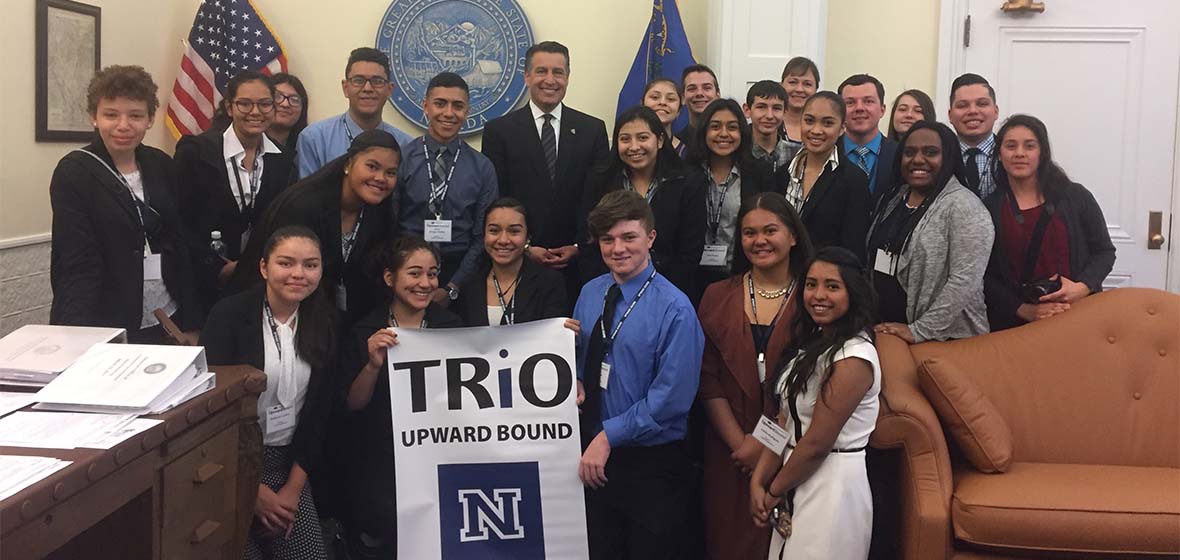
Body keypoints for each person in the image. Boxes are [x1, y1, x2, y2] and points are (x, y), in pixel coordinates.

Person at [573, 190, 705, 559]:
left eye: (629, 237)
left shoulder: (676, 308)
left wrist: (608, 437)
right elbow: (582, 359)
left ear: (650, 237)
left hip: (650, 465)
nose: (618, 249)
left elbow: (671, 400)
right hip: (592, 455)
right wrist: (578, 380)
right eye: (607, 239)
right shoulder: (590, 293)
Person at [201, 226, 336, 560]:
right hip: (229, 463)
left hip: (290, 465)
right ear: (264, 267)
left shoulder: (326, 321)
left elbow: (320, 414)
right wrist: (251, 489)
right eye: (286, 263)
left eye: (310, 265)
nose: (298, 274)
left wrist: (292, 490)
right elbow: (213, 409)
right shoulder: (229, 316)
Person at [698, 193, 813, 560]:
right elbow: (708, 378)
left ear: (793, 236)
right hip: (729, 448)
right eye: (749, 232)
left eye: (770, 230)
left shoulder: (814, 299)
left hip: (793, 448)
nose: (759, 240)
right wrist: (740, 443)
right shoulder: (716, 295)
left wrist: (767, 445)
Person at [49, 65, 199, 343]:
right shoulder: (74, 172)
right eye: (111, 115)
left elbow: (180, 245)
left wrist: (191, 319)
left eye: (135, 116)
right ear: (94, 117)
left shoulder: (162, 164)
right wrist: (73, 337)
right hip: (106, 319)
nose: (123, 125)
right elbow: (76, 262)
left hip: (165, 313)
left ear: (150, 119)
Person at [750, 246, 881, 560]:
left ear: (853, 292)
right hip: (792, 476)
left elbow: (817, 444)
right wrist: (758, 479)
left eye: (832, 286)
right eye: (811, 284)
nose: (818, 295)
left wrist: (773, 491)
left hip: (832, 486)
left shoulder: (855, 356)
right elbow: (783, 419)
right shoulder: (812, 345)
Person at [338, 235, 464, 558]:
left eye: (432, 274)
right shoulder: (364, 330)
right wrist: (372, 365)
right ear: (390, 278)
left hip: (438, 463)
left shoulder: (452, 327)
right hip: (380, 469)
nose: (425, 283)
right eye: (415, 273)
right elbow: (353, 405)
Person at [481, 41, 610, 309]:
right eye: (541, 71)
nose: (550, 80)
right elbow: (498, 198)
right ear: (527, 76)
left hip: (579, 266)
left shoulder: (593, 130)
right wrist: (525, 248)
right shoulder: (499, 131)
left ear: (567, 77)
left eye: (558, 72)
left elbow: (599, 198)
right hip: (519, 265)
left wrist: (579, 245)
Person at [235, 130, 400, 325]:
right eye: (372, 166)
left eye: (390, 173)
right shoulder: (303, 206)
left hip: (340, 319)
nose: (381, 178)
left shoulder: (380, 212)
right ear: (348, 165)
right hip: (278, 314)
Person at [175, 70, 294, 316]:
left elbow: (281, 221)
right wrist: (217, 266)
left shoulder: (283, 160)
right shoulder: (196, 152)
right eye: (245, 104)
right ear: (229, 107)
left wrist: (253, 266)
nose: (255, 112)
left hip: (259, 278)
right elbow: (180, 222)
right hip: (205, 280)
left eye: (264, 104)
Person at [983, 114, 1115, 330]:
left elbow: (1104, 251)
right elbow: (985, 275)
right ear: (999, 154)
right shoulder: (988, 209)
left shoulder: (1076, 196)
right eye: (1010, 146)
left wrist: (1082, 288)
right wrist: (1025, 309)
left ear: (1042, 152)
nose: (1019, 154)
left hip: (1078, 315)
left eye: (1029, 146)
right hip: (1016, 325)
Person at [866, 120, 993, 342]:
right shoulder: (895, 197)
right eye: (909, 152)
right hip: (889, 332)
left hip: (946, 341)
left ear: (948, 158)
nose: (917, 160)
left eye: (931, 152)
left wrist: (919, 331)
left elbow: (965, 281)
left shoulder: (964, 207)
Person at [580, 106, 706, 298]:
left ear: (660, 140)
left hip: (669, 291)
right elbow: (588, 242)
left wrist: (657, 292)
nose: (634, 147)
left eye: (643, 137)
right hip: (610, 289)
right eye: (625, 139)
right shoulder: (599, 181)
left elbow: (690, 251)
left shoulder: (688, 181)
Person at [395, 72, 498, 301]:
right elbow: (390, 225)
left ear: (467, 111)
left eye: (458, 106)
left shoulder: (482, 167)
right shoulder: (402, 160)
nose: (449, 113)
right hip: (406, 269)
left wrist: (454, 286)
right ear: (426, 106)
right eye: (440, 104)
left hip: (461, 271)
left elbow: (483, 236)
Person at [688, 99, 778, 288]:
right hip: (692, 275)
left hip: (742, 273)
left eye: (732, 127)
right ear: (704, 131)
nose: (723, 134)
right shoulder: (687, 173)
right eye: (715, 127)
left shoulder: (759, 173)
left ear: (742, 133)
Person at [295, 47, 413, 178]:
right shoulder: (314, 139)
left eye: (377, 81)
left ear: (390, 90)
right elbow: (306, 194)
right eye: (358, 80)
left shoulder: (405, 145)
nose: (367, 88)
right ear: (345, 88)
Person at [782, 92, 872, 260]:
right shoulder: (782, 173)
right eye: (809, 121)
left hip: (824, 278)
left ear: (842, 128)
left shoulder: (853, 179)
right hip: (781, 274)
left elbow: (853, 247)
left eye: (828, 123)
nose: (816, 130)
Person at [453, 198, 568, 326]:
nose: (503, 240)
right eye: (494, 231)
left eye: (514, 231)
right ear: (484, 235)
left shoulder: (549, 283)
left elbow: (553, 336)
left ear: (527, 238)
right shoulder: (469, 285)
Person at [839, 74, 899, 204]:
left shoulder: (899, 154)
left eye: (868, 101)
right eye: (850, 102)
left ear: (882, 110)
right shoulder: (828, 153)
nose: (859, 108)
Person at [948, 73, 1000, 198]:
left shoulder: (1010, 154)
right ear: (950, 115)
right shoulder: (940, 156)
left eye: (982, 104)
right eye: (962, 105)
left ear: (996, 111)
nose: (972, 111)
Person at [744, 80, 796, 172]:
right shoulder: (738, 153)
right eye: (761, 107)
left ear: (785, 112)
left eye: (776, 108)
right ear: (747, 110)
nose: (769, 116)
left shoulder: (796, 155)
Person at [779, 57, 820, 156]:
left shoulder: (824, 126)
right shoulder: (769, 123)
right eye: (793, 82)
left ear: (816, 89)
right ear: (781, 85)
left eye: (807, 84)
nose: (799, 89)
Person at [676, 64, 721, 151]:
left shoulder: (730, 140)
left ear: (718, 94)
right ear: (683, 97)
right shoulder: (677, 145)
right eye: (692, 89)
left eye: (707, 88)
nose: (699, 93)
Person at [642, 78, 688, 158]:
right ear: (642, 104)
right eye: (655, 97)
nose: (662, 102)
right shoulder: (630, 148)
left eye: (670, 99)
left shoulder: (686, 154)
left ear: (679, 111)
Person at [269, 73, 309, 153]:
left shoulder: (308, 147)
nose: (285, 104)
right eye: (278, 96)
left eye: (294, 99)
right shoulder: (249, 146)